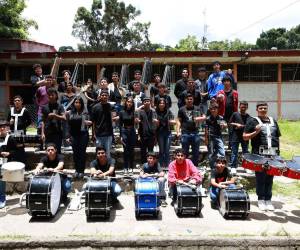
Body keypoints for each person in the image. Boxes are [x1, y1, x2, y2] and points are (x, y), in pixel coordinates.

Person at [243, 101, 281, 211]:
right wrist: (256, 131)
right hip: (259, 154)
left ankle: (268, 199)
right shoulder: (252, 121)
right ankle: (261, 199)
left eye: (265, 108)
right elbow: (245, 137)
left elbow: (277, 138)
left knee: (270, 177)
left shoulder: (273, 121)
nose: (263, 110)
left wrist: (278, 154)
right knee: (261, 177)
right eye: (261, 108)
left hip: (273, 154)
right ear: (257, 110)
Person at [177, 94, 206, 166]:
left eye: (191, 99)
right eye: (188, 99)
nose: (189, 100)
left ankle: (195, 167)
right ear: (185, 100)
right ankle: (184, 167)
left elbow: (204, 117)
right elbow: (178, 121)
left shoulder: (198, 108)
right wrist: (178, 131)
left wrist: (199, 118)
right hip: (185, 133)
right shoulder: (181, 109)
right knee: (184, 152)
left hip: (195, 132)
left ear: (193, 100)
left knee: (196, 152)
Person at [66, 97, 91, 179]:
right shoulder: (70, 113)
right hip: (73, 135)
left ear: (82, 104)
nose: (77, 104)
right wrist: (68, 136)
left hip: (83, 135)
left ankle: (81, 171)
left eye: (79, 102)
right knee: (75, 153)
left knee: (82, 153)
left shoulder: (85, 113)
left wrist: (88, 123)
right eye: (76, 102)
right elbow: (68, 125)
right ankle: (77, 170)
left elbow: (90, 123)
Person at [91, 90, 116, 160]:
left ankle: (108, 169)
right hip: (98, 134)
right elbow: (93, 122)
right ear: (100, 96)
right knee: (99, 154)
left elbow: (113, 119)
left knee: (107, 154)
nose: (104, 96)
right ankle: (99, 169)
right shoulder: (95, 107)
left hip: (108, 134)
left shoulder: (111, 107)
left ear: (108, 96)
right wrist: (93, 134)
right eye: (102, 95)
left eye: (106, 95)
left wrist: (116, 118)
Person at [41, 88, 66, 154]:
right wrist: (42, 133)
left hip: (57, 133)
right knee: (48, 152)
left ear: (56, 96)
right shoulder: (44, 107)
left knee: (57, 152)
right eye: (49, 95)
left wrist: (55, 115)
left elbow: (64, 118)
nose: (50, 96)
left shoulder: (60, 106)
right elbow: (43, 121)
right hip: (48, 133)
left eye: (52, 95)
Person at [0, 120, 18, 208]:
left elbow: (15, 151)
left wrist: (9, 154)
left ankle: (2, 198)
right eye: (0, 127)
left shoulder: (10, 138)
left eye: (3, 127)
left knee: (1, 180)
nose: (2, 128)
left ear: (7, 128)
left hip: (5, 163)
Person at [229, 101, 250, 175]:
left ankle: (246, 167)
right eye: (242, 106)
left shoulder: (248, 116)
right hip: (235, 136)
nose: (243, 108)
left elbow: (249, 126)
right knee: (234, 152)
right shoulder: (235, 114)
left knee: (246, 152)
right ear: (239, 107)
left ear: (247, 107)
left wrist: (242, 126)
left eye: (244, 107)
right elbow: (230, 123)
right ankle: (233, 167)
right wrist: (236, 124)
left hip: (244, 136)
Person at [205, 102, 226, 170]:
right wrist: (206, 139)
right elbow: (206, 129)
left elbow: (223, 127)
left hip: (218, 137)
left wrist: (224, 126)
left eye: (215, 109)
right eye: (212, 109)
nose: (213, 110)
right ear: (210, 110)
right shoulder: (208, 118)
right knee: (211, 153)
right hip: (210, 137)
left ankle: (221, 166)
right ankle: (212, 168)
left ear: (217, 109)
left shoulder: (220, 118)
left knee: (222, 152)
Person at [137, 97, 158, 164]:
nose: (147, 102)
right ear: (143, 103)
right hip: (143, 135)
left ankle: (150, 165)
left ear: (150, 102)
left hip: (151, 135)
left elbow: (156, 124)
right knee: (143, 152)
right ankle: (143, 165)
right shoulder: (140, 112)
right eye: (145, 101)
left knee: (151, 152)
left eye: (148, 101)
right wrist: (139, 135)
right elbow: (137, 122)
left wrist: (155, 136)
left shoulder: (153, 112)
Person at [118, 96, 136, 174]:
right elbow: (120, 124)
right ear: (126, 102)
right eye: (128, 101)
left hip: (132, 131)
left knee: (131, 150)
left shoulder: (134, 112)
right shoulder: (122, 112)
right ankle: (125, 167)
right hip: (124, 131)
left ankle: (131, 167)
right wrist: (121, 135)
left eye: (131, 102)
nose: (129, 103)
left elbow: (136, 123)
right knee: (125, 150)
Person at [156, 98, 176, 168]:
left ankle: (167, 166)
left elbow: (174, 121)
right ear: (158, 104)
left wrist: (171, 122)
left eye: (163, 103)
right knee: (161, 150)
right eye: (160, 103)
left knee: (167, 150)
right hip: (159, 133)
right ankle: (161, 166)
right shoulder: (155, 112)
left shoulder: (168, 111)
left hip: (168, 132)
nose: (162, 104)